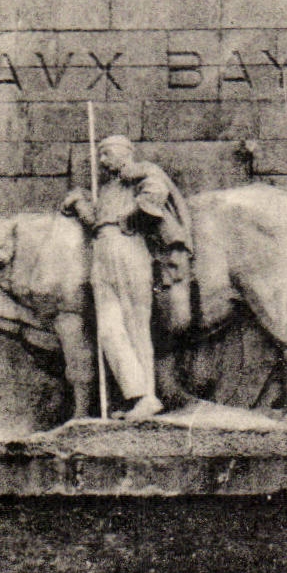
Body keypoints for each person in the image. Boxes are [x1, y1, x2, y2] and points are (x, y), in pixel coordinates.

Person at [63, 135, 194, 420]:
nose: (102, 161)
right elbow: (95, 221)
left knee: (136, 325)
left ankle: (146, 397)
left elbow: (156, 195)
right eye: (100, 155)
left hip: (129, 247)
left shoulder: (142, 172)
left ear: (124, 153)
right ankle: (137, 393)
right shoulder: (107, 188)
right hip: (102, 250)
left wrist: (130, 217)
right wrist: (79, 202)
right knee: (109, 329)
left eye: (107, 154)